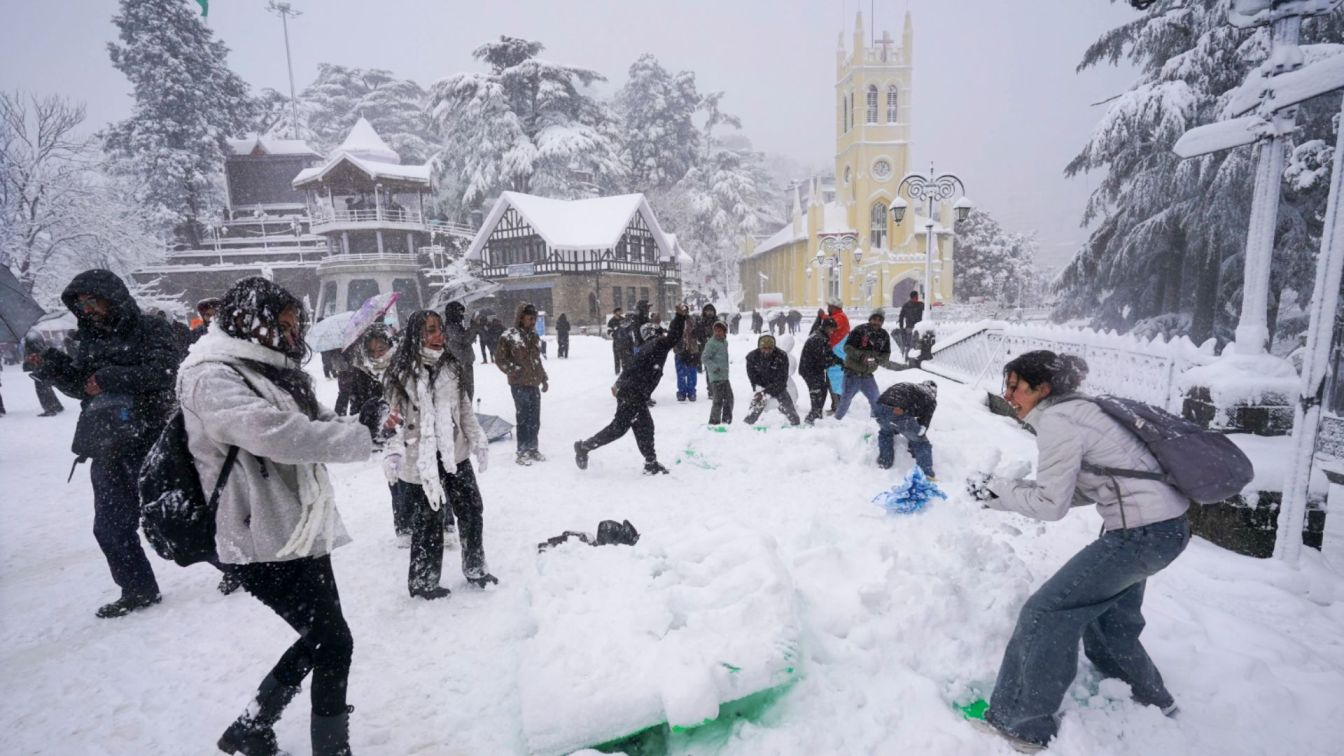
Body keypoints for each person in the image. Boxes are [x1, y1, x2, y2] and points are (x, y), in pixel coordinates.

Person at [178, 276, 376, 756]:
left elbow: (314, 420)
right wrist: (357, 439)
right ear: (249, 320)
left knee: (322, 639)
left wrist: (365, 424)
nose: (290, 337)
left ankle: (251, 726)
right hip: (254, 536)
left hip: (298, 526)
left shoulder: (271, 370)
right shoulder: (211, 374)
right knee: (333, 644)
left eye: (293, 327)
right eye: (281, 326)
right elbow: (276, 434)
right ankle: (330, 750)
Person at [969, 350, 1190, 752]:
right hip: (1164, 529)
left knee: (1046, 613)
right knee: (1108, 617)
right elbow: (1082, 490)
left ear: (1043, 388)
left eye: (1016, 386)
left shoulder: (1058, 420)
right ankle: (1146, 694)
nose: (1008, 394)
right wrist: (1001, 496)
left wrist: (1002, 488)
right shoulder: (1082, 411)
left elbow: (1051, 506)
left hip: (1139, 534)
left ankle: (1021, 723)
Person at [27, 269, 177, 618]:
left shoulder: (151, 328)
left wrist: (109, 377)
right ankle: (138, 589)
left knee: (173, 518)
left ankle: (238, 568)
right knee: (110, 526)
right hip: (107, 444)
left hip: (152, 439)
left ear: (112, 296)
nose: (88, 309)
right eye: (81, 304)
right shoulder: (87, 338)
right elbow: (83, 386)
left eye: (91, 301)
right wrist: (52, 366)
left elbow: (166, 370)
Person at [382, 310, 495, 599]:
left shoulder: (451, 367)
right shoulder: (400, 374)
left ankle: (476, 568)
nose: (438, 336)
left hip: (454, 453)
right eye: (430, 330)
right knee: (428, 522)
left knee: (471, 509)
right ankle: (423, 582)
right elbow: (391, 418)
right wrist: (392, 444)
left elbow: (464, 408)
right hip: (422, 458)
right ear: (415, 335)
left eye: (439, 329)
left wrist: (477, 438)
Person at [575, 304, 689, 475]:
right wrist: (680, 317)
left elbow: (629, 368)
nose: (664, 336)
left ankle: (650, 462)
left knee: (644, 426)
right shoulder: (657, 345)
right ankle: (584, 447)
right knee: (619, 429)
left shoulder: (645, 349)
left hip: (633, 394)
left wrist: (618, 384)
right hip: (633, 394)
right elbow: (673, 337)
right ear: (655, 334)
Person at [495, 302, 549, 465]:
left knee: (535, 418)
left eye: (535, 318)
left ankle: (533, 448)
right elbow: (499, 359)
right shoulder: (509, 336)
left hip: (534, 383)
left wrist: (544, 378)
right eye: (530, 318)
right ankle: (522, 450)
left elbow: (537, 360)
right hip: (519, 384)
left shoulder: (533, 336)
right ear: (521, 318)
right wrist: (513, 370)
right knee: (524, 417)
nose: (533, 322)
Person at [834, 310, 892, 420]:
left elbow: (886, 354)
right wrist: (861, 357)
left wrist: (877, 360)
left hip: (868, 376)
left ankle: (876, 423)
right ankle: (837, 422)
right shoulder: (859, 330)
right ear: (870, 319)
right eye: (875, 319)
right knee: (845, 401)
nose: (877, 322)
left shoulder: (883, 335)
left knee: (876, 400)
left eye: (880, 320)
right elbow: (847, 348)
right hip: (851, 375)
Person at [875, 380, 938, 477]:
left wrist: (897, 426)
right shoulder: (930, 398)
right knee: (922, 443)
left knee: (886, 433)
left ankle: (884, 462)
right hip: (898, 409)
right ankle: (925, 475)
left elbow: (893, 408)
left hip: (879, 407)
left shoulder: (913, 389)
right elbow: (923, 424)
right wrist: (914, 444)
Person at [743, 334, 801, 426]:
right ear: (759, 347)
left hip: (778, 386)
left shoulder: (782, 356)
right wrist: (761, 391)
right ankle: (748, 424)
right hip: (761, 387)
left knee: (790, 409)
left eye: (769, 348)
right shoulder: (751, 357)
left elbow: (782, 379)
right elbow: (753, 378)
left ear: (773, 347)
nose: (767, 351)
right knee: (756, 406)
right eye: (764, 348)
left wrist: (768, 391)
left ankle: (795, 424)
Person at [799, 318, 842, 423]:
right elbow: (822, 359)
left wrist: (840, 362)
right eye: (832, 329)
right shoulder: (818, 339)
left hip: (815, 369)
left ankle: (817, 414)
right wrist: (832, 362)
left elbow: (828, 354)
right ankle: (813, 416)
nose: (832, 332)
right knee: (817, 392)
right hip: (809, 370)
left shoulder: (822, 336)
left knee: (822, 390)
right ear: (826, 327)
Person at [675, 303, 715, 402]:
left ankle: (692, 392)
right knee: (680, 373)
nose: (683, 312)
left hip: (693, 350)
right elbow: (673, 335)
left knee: (692, 372)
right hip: (680, 350)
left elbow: (697, 333)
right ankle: (681, 392)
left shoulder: (692, 321)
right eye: (681, 310)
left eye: (685, 310)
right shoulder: (675, 322)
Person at [443, 302, 481, 399]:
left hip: (464, 362)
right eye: (460, 312)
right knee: (465, 393)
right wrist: (473, 325)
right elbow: (464, 339)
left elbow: (467, 340)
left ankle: (467, 412)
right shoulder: (451, 327)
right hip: (460, 364)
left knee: (468, 391)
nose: (462, 315)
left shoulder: (456, 326)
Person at [21, 334, 65, 416]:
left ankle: (49, 409)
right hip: (46, 368)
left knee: (42, 389)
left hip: (40, 369)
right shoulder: (36, 334)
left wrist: (29, 358)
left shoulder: (30, 338)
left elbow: (34, 355)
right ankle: (56, 406)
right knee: (47, 387)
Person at [701, 320, 732, 425]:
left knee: (729, 398)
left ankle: (726, 420)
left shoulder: (724, 342)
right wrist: (714, 367)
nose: (718, 333)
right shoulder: (711, 343)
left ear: (724, 332)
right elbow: (704, 358)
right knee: (718, 401)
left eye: (720, 331)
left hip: (724, 376)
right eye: (716, 331)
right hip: (715, 377)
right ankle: (714, 422)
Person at [896, 291, 924, 360]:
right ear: (912, 297)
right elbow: (901, 316)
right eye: (916, 297)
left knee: (917, 344)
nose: (917, 298)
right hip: (909, 328)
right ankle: (907, 359)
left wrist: (925, 298)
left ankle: (915, 359)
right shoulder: (906, 305)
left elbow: (929, 308)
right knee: (909, 344)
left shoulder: (920, 304)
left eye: (917, 297)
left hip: (918, 328)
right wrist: (902, 327)